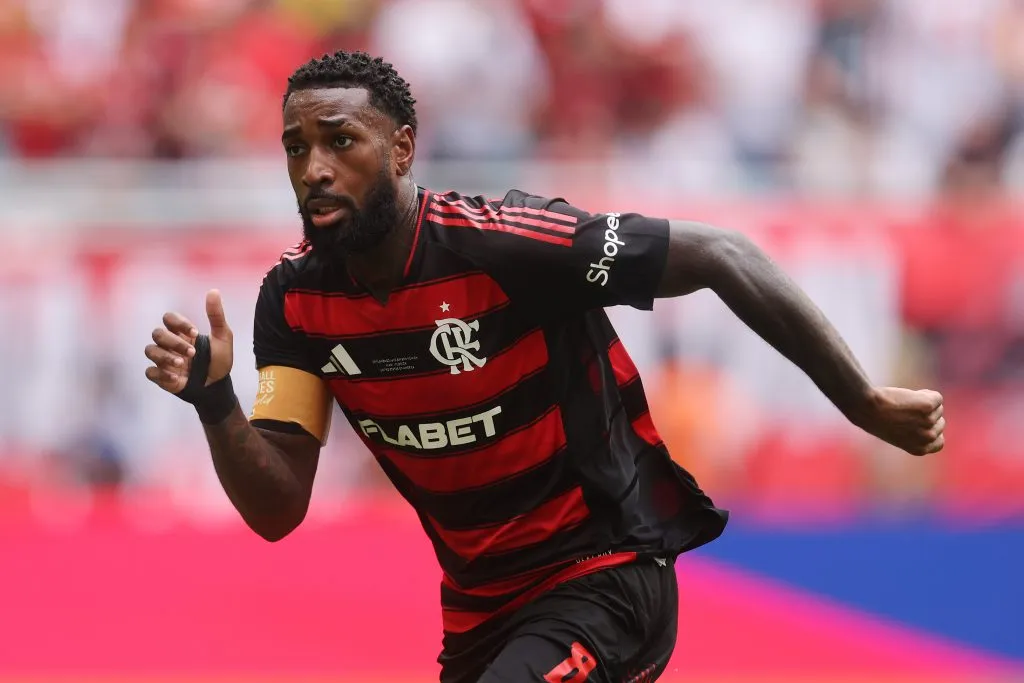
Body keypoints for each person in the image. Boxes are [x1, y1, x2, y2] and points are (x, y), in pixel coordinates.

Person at [143, 51, 946, 682]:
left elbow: (719, 253)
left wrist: (864, 401)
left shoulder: (509, 245)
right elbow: (278, 506)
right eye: (295, 147)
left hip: (605, 573)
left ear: (401, 148)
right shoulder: (294, 303)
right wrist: (218, 403)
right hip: (480, 614)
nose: (313, 167)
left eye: (339, 141)